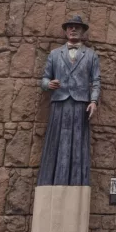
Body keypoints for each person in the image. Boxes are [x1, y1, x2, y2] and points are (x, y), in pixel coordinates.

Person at [37, 15, 101, 187]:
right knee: (55, 144)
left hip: (80, 105)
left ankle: (76, 183)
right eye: (70, 27)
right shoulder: (55, 54)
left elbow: (95, 81)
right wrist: (48, 84)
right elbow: (43, 79)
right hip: (59, 104)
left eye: (77, 27)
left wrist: (93, 101)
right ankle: (51, 182)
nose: (73, 29)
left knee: (78, 145)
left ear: (83, 31)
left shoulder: (91, 55)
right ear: (66, 31)